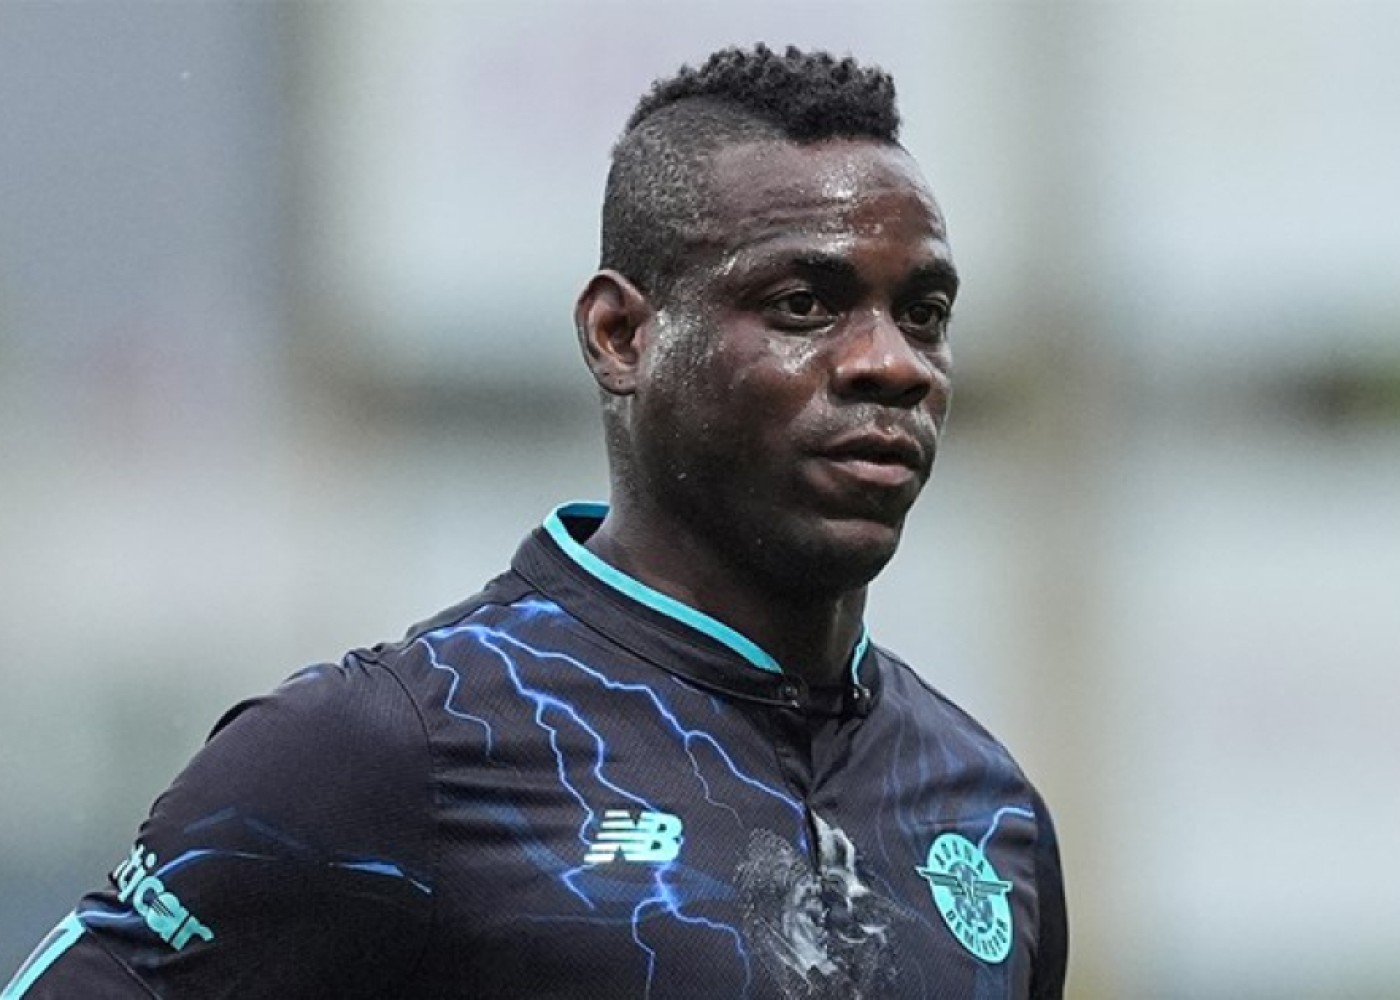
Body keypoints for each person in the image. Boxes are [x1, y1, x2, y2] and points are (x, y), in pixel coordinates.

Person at [4, 44, 1067, 999]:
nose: (890, 362)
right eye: (803, 305)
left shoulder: (987, 812)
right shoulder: (388, 752)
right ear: (621, 335)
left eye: (923, 314)